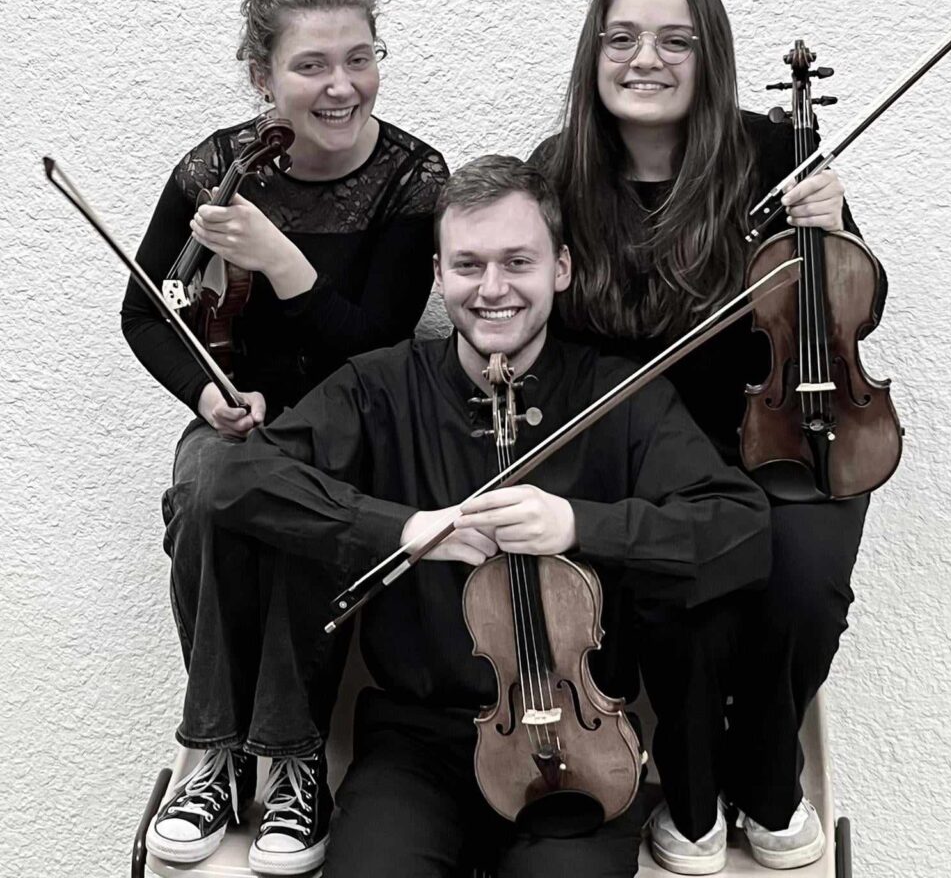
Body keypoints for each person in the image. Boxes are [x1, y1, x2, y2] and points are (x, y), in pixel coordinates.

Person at [207, 154, 773, 877]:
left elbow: (741, 526)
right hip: (416, 746)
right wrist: (404, 529)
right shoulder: (381, 389)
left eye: (518, 261)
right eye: (469, 265)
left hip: (584, 750)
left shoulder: (619, 397)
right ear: (439, 275)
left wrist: (579, 524)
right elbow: (236, 480)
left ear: (560, 269)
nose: (494, 288)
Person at [529, 0, 887, 873]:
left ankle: (766, 771)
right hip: (645, 456)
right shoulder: (559, 175)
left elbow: (840, 297)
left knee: (806, 587)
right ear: (593, 53)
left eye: (674, 40)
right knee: (678, 596)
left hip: (780, 431)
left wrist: (835, 220)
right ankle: (691, 795)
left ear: (710, 52)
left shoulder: (772, 151)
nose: (645, 59)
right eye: (623, 38)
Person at [120, 0, 448, 873]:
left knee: (299, 503)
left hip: (354, 421)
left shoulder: (412, 177)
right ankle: (219, 759)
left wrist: (279, 258)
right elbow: (146, 309)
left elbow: (378, 345)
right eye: (311, 65)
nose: (340, 85)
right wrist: (205, 392)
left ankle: (294, 758)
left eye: (360, 57)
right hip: (240, 418)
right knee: (205, 495)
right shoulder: (219, 167)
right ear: (263, 75)